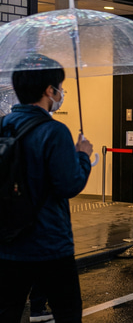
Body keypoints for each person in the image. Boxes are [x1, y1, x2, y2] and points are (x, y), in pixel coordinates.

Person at [0, 54, 93, 323]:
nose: (61, 93)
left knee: (8, 311)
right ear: (49, 91)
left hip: (8, 241)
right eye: (60, 88)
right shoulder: (54, 131)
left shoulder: (4, 125)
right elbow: (70, 184)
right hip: (50, 242)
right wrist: (83, 156)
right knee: (67, 312)